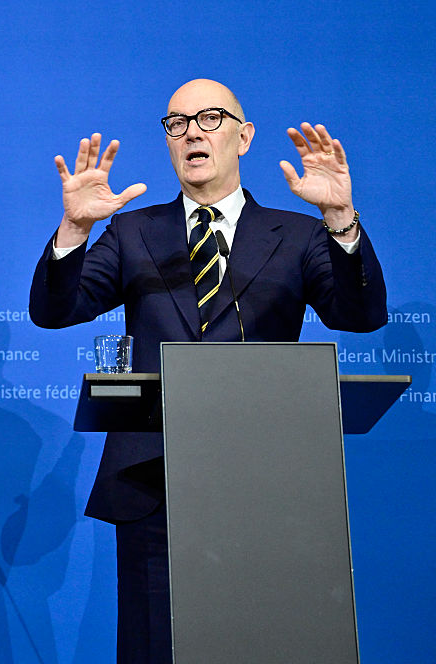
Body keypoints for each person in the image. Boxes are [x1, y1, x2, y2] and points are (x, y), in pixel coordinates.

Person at [28, 78, 386, 663]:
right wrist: (75, 232)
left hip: (270, 485)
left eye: (210, 119)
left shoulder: (298, 235)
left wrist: (341, 219)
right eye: (178, 123)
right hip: (155, 484)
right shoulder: (133, 232)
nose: (192, 132)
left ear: (243, 138)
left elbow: (361, 316)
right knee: (155, 647)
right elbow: (54, 311)